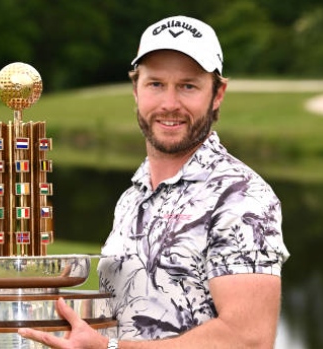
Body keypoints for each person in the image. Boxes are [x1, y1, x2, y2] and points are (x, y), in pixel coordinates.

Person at [19, 15, 290, 349]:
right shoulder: (133, 197)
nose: (169, 104)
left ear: (217, 94)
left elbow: (248, 339)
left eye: (188, 86)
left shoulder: (241, 196)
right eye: (156, 84)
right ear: (136, 90)